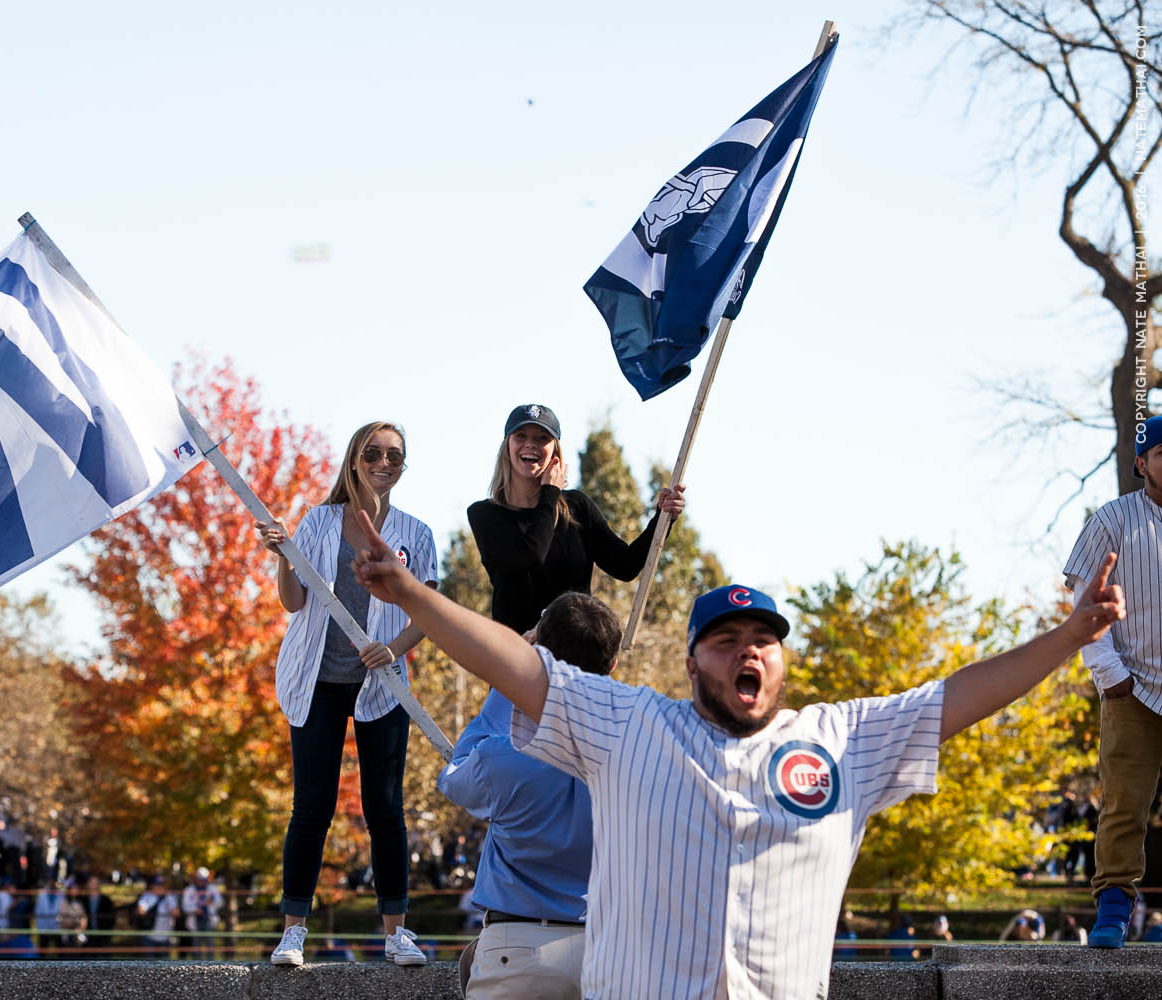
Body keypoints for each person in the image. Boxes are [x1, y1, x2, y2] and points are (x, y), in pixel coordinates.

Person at [347, 508, 1125, 998]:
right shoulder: (627, 724)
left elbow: (960, 696)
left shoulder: (842, 741)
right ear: (692, 662)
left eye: (762, 643)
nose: (746, 653)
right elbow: (516, 665)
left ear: (781, 664)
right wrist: (410, 595)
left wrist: (1070, 636)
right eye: (725, 642)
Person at [255, 421, 437, 968]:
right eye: (374, 453)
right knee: (312, 807)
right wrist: (283, 555)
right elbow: (292, 602)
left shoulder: (415, 533)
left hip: (381, 685)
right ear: (354, 459)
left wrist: (394, 648)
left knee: (385, 808)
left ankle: (396, 933)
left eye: (396, 456)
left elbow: (427, 609)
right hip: (318, 681)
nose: (385, 462)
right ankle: (293, 932)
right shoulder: (318, 521)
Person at [438, 592, 618, 999]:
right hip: (609, 950)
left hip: (516, 949)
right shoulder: (637, 753)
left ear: (539, 658)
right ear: (613, 664)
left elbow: (454, 776)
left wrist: (509, 683)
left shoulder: (504, 755)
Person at [1062, 414, 1162, 948]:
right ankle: (1115, 904)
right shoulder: (1112, 520)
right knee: (1125, 802)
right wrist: (1111, 675)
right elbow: (1083, 604)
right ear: (1142, 462)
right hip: (1135, 687)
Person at [466, 404, 684, 634]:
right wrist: (550, 494)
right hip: (517, 656)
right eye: (521, 436)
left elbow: (626, 566)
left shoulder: (578, 507)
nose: (530, 444)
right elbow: (528, 557)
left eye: (542, 438)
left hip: (575, 653)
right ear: (507, 446)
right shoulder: (485, 514)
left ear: (555, 452)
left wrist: (662, 518)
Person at [181, 867, 223, 959]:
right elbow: (185, 906)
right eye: (200, 880)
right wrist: (195, 910)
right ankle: (196, 968)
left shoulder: (213, 888)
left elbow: (220, 903)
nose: (202, 882)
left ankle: (211, 968)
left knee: (210, 946)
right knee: (196, 946)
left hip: (209, 920)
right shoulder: (189, 889)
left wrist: (212, 903)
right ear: (196, 879)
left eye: (203, 880)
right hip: (195, 920)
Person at [136, 874, 179, 958]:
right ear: (152, 886)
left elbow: (176, 913)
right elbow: (140, 911)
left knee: (164, 967)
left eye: (162, 885)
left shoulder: (170, 897)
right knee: (148, 965)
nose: (160, 887)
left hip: (165, 938)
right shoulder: (147, 896)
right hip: (149, 937)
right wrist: (154, 901)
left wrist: (169, 905)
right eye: (157, 885)